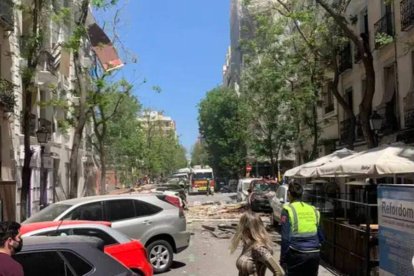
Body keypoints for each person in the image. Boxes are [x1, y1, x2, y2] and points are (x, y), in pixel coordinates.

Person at [280, 182, 324, 276]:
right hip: (314, 254)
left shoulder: (288, 210)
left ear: (289, 194)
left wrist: (283, 259)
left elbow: (285, 239)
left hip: (297, 253)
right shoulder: (313, 210)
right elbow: (321, 236)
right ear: (301, 194)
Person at [230, 211, 284, 276]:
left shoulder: (258, 248)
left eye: (241, 226)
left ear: (248, 229)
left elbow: (279, 272)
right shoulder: (248, 244)